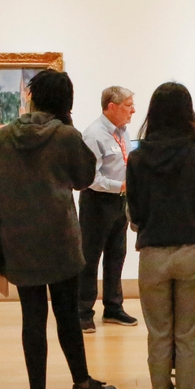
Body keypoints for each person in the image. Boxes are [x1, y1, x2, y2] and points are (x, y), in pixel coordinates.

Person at [0, 70, 116, 389]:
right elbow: (84, 178)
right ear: (66, 102)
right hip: (60, 239)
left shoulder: (3, 138)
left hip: (19, 242)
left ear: (32, 97)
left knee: (32, 319)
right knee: (68, 317)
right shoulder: (66, 135)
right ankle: (82, 385)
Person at [126, 82, 195, 389]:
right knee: (187, 337)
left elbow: (134, 211)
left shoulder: (137, 157)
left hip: (153, 253)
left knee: (159, 335)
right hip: (192, 251)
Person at [78, 86, 138, 332]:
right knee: (90, 257)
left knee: (117, 254)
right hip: (97, 202)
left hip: (119, 201)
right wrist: (120, 185)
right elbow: (90, 178)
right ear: (111, 107)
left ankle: (113, 307)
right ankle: (83, 311)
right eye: (128, 105)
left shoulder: (122, 132)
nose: (133, 110)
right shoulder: (93, 135)